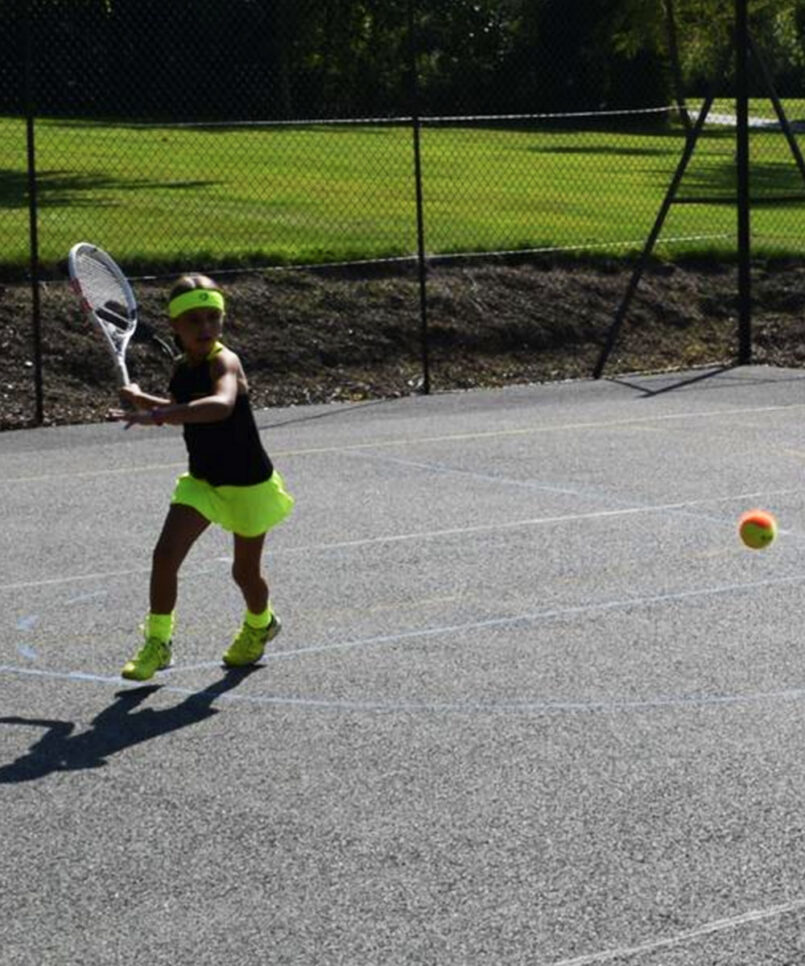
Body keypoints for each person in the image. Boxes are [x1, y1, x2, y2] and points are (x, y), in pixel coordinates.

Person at [109, 274, 294, 681]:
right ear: (175, 326)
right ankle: (158, 643)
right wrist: (145, 402)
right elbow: (184, 409)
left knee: (244, 573)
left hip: (248, 484)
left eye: (213, 318)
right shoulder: (181, 368)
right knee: (165, 556)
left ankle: (261, 624)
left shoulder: (225, 362)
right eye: (194, 320)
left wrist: (158, 413)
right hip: (203, 482)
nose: (206, 327)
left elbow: (220, 404)